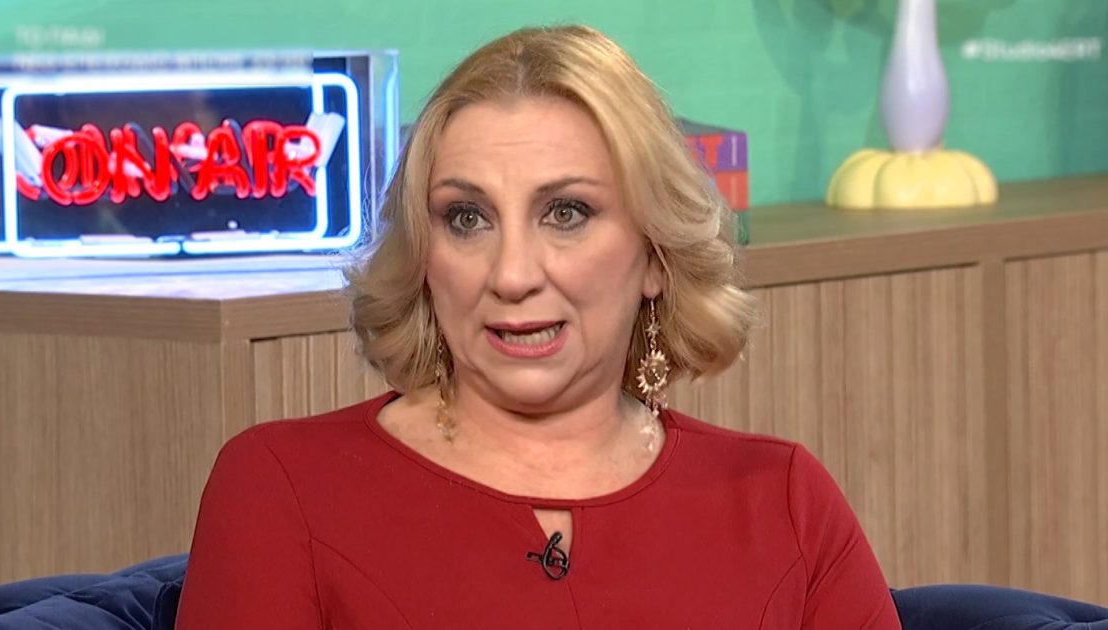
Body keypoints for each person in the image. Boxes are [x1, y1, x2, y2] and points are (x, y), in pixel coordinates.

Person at [176, 25, 901, 629]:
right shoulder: (282, 488)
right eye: (467, 218)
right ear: (424, 257)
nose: (513, 273)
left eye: (566, 213)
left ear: (655, 255)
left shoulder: (783, 502)